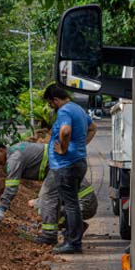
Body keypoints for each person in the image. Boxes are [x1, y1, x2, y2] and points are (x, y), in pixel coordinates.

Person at [0, 141, 97, 245]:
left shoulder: (14, 158)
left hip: (85, 204)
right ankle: (75, 227)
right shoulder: (17, 149)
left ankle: (49, 236)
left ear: (1, 150)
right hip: (81, 196)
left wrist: (1, 208)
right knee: (46, 202)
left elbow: (11, 187)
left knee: (46, 200)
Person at [44, 84, 96, 254]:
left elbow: (65, 131)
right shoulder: (78, 109)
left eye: (51, 104)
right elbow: (92, 128)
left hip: (66, 165)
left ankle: (73, 243)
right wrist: (81, 145)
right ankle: (71, 239)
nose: (52, 107)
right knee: (71, 202)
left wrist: (64, 149)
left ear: (56, 100)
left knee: (71, 204)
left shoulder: (64, 111)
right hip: (78, 161)